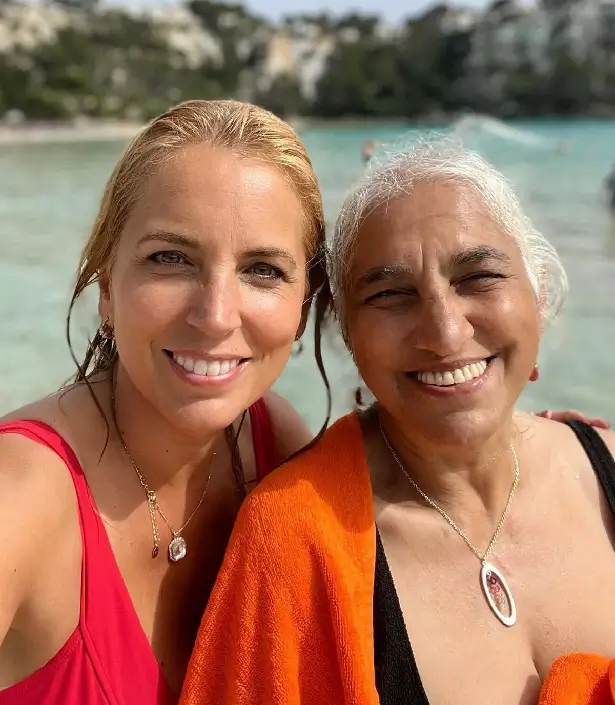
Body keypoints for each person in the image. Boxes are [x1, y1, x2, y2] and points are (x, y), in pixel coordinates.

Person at [180, 138, 615, 705]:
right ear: (346, 335)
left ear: (537, 291)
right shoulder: (294, 542)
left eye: (478, 277)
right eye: (391, 294)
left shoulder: (605, 464)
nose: (445, 332)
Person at [0, 99, 332, 704]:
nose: (215, 315)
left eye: (263, 270)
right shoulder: (20, 494)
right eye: (170, 259)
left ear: (303, 306)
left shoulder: (272, 445)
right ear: (106, 290)